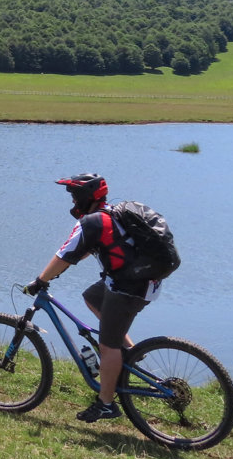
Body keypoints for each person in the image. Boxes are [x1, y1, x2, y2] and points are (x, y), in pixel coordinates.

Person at [24, 172, 163, 423]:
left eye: (75, 196)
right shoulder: (113, 214)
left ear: (86, 198)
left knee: (107, 346)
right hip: (146, 281)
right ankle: (130, 352)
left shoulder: (91, 222)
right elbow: (93, 247)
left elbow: (64, 254)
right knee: (92, 296)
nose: (73, 201)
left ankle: (106, 404)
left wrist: (41, 280)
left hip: (128, 288)